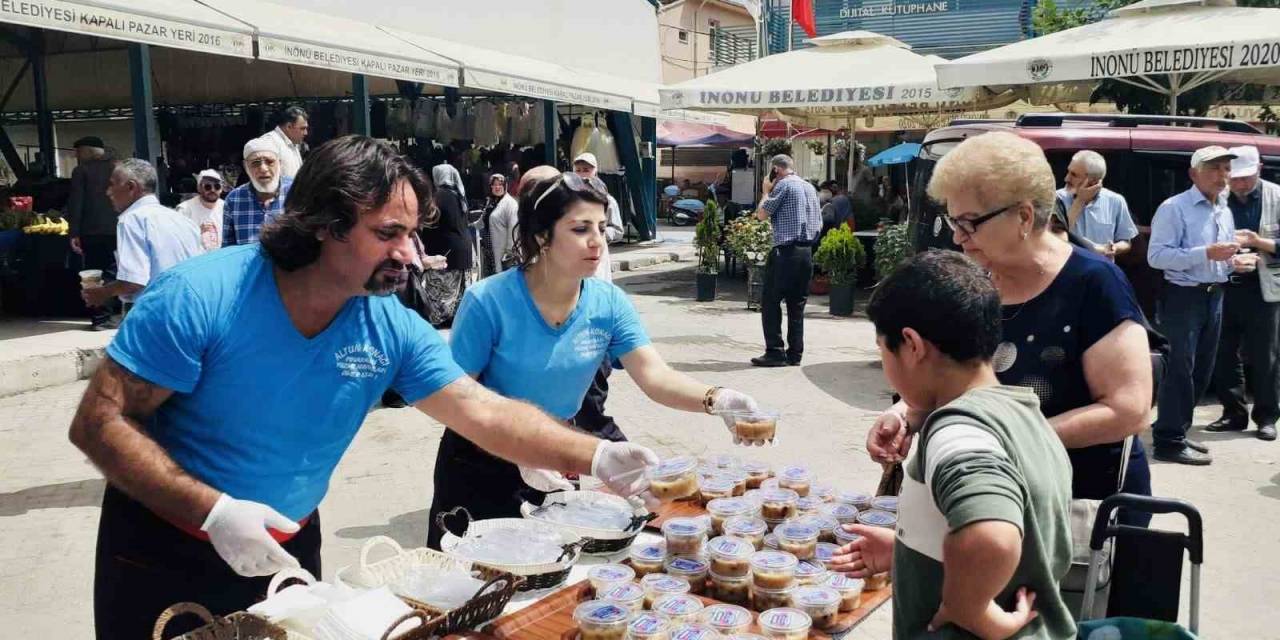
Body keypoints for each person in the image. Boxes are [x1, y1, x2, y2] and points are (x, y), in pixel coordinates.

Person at [69, 136, 658, 640]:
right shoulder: (201, 295)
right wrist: (213, 511)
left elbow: (483, 411)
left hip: (287, 544)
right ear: (323, 227)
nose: (410, 254)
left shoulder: (386, 323)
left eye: (412, 233)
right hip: (163, 545)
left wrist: (597, 455)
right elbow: (98, 423)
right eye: (388, 233)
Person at [427, 171, 763, 548]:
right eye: (580, 229)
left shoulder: (608, 303)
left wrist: (717, 398)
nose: (597, 241)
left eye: (601, 228)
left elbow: (655, 376)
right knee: (475, 574)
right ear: (542, 236)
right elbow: (455, 400)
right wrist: (515, 450)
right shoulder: (488, 302)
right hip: (478, 462)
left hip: (556, 456)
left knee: (551, 566)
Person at [868, 132, 1154, 525]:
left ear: (1023, 217)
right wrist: (904, 415)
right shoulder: (974, 277)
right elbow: (949, 373)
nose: (957, 237)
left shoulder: (1095, 284)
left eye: (969, 223)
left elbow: (1128, 411)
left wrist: (1010, 439)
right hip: (987, 493)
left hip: (1077, 509)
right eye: (953, 221)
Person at [834, 250, 1075, 640]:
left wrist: (970, 609)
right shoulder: (1022, 413)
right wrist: (908, 555)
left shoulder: (956, 431)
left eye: (882, 349)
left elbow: (991, 536)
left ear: (912, 345)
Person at [1148, 146, 1253, 465]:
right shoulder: (1174, 208)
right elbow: (1157, 256)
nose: (1222, 175)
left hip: (1214, 295)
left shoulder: (1223, 207)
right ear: (1193, 174)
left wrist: (1234, 262)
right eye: (1214, 168)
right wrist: (1206, 253)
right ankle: (1168, 441)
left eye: (1226, 168)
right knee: (1179, 371)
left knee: (1202, 371)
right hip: (1183, 297)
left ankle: (1177, 430)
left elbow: (1220, 255)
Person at [1208, 145, 1280, 442]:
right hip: (1225, 285)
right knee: (1223, 353)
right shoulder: (1218, 197)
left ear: (1259, 170)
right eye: (1234, 178)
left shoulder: (1276, 196)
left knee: (1265, 356)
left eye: (1245, 178)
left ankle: (1267, 417)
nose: (1238, 184)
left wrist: (1257, 242)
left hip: (1264, 290)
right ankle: (1233, 413)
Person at [80, 158, 203, 314]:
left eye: (112, 184)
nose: (108, 192)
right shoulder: (183, 221)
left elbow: (133, 281)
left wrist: (103, 293)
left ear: (131, 187)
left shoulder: (132, 219)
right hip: (190, 310)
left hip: (153, 313)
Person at [751, 154, 822, 367]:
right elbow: (819, 223)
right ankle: (795, 354)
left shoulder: (784, 185)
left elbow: (761, 215)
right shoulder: (809, 188)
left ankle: (775, 352)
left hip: (785, 251)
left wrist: (766, 191)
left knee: (771, 302)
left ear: (776, 170)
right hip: (806, 251)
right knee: (796, 304)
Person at [65, 136, 119, 330]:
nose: (76, 156)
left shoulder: (82, 171)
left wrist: (74, 233)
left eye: (78, 152)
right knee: (115, 271)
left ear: (88, 150)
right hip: (118, 229)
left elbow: (76, 203)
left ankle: (100, 318)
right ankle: (112, 314)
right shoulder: (119, 168)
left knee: (94, 275)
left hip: (91, 231)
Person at [1054, 150, 1138, 259]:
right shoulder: (1056, 198)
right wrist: (1080, 200)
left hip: (1099, 267)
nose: (1066, 178)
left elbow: (1126, 242)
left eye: (1074, 175)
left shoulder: (1115, 201)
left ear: (1092, 182)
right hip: (1068, 267)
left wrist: (1113, 248)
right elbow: (1055, 235)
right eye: (1068, 172)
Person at [419, 164, 474, 327]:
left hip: (446, 251)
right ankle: (452, 319)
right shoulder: (459, 194)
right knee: (457, 292)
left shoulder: (438, 196)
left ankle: (438, 320)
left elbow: (429, 223)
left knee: (440, 291)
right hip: (463, 249)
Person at [223, 137, 293, 246]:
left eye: (269, 162)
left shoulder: (296, 192)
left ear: (279, 163)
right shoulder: (234, 199)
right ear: (246, 166)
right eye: (256, 163)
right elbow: (227, 248)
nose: (263, 169)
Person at [176, 169, 226, 251]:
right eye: (207, 187)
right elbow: (178, 239)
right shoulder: (184, 209)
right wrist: (197, 231)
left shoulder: (226, 207)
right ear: (199, 188)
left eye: (217, 186)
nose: (212, 190)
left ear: (221, 189)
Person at [483, 173, 518, 276]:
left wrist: (509, 253)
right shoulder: (491, 202)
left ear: (505, 186)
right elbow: (482, 221)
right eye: (494, 184)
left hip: (502, 253)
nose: (497, 187)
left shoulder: (510, 203)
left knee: (501, 279)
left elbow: (513, 229)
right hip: (489, 252)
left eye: (500, 184)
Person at [264, 105, 308, 179]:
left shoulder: (293, 142)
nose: (306, 133)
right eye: (302, 128)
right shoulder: (269, 143)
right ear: (289, 127)